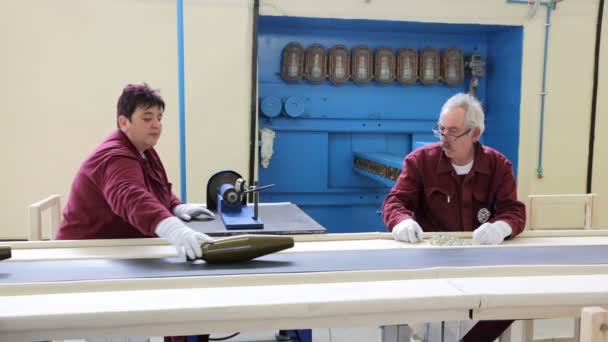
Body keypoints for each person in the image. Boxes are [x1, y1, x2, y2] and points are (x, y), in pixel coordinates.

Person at [56, 83, 214, 342]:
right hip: (89, 260)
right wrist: (172, 227)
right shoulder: (115, 155)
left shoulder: (144, 152)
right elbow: (130, 195)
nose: (157, 125)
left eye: (160, 118)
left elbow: (156, 189)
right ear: (124, 121)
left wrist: (176, 206)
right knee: (123, 330)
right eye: (147, 118)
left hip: (118, 249)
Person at [382, 92, 526, 342]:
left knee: (499, 313)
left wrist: (500, 228)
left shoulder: (497, 165)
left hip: (481, 264)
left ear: (475, 134)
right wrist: (402, 221)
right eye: (441, 130)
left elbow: (513, 210)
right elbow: (395, 201)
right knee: (421, 328)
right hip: (430, 265)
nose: (444, 139)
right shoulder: (420, 162)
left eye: (453, 131)